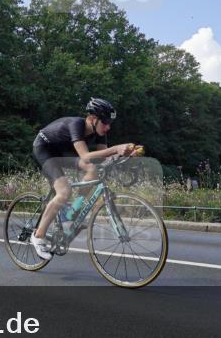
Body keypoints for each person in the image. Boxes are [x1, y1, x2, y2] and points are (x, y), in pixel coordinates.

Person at [30, 98, 140, 260]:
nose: (108, 127)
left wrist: (125, 155)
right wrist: (116, 148)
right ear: (93, 119)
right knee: (64, 191)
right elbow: (86, 156)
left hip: (63, 152)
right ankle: (38, 236)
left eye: (110, 123)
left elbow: (103, 159)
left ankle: (73, 211)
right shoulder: (77, 125)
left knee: (93, 169)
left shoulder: (100, 133)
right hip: (45, 150)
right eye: (105, 122)